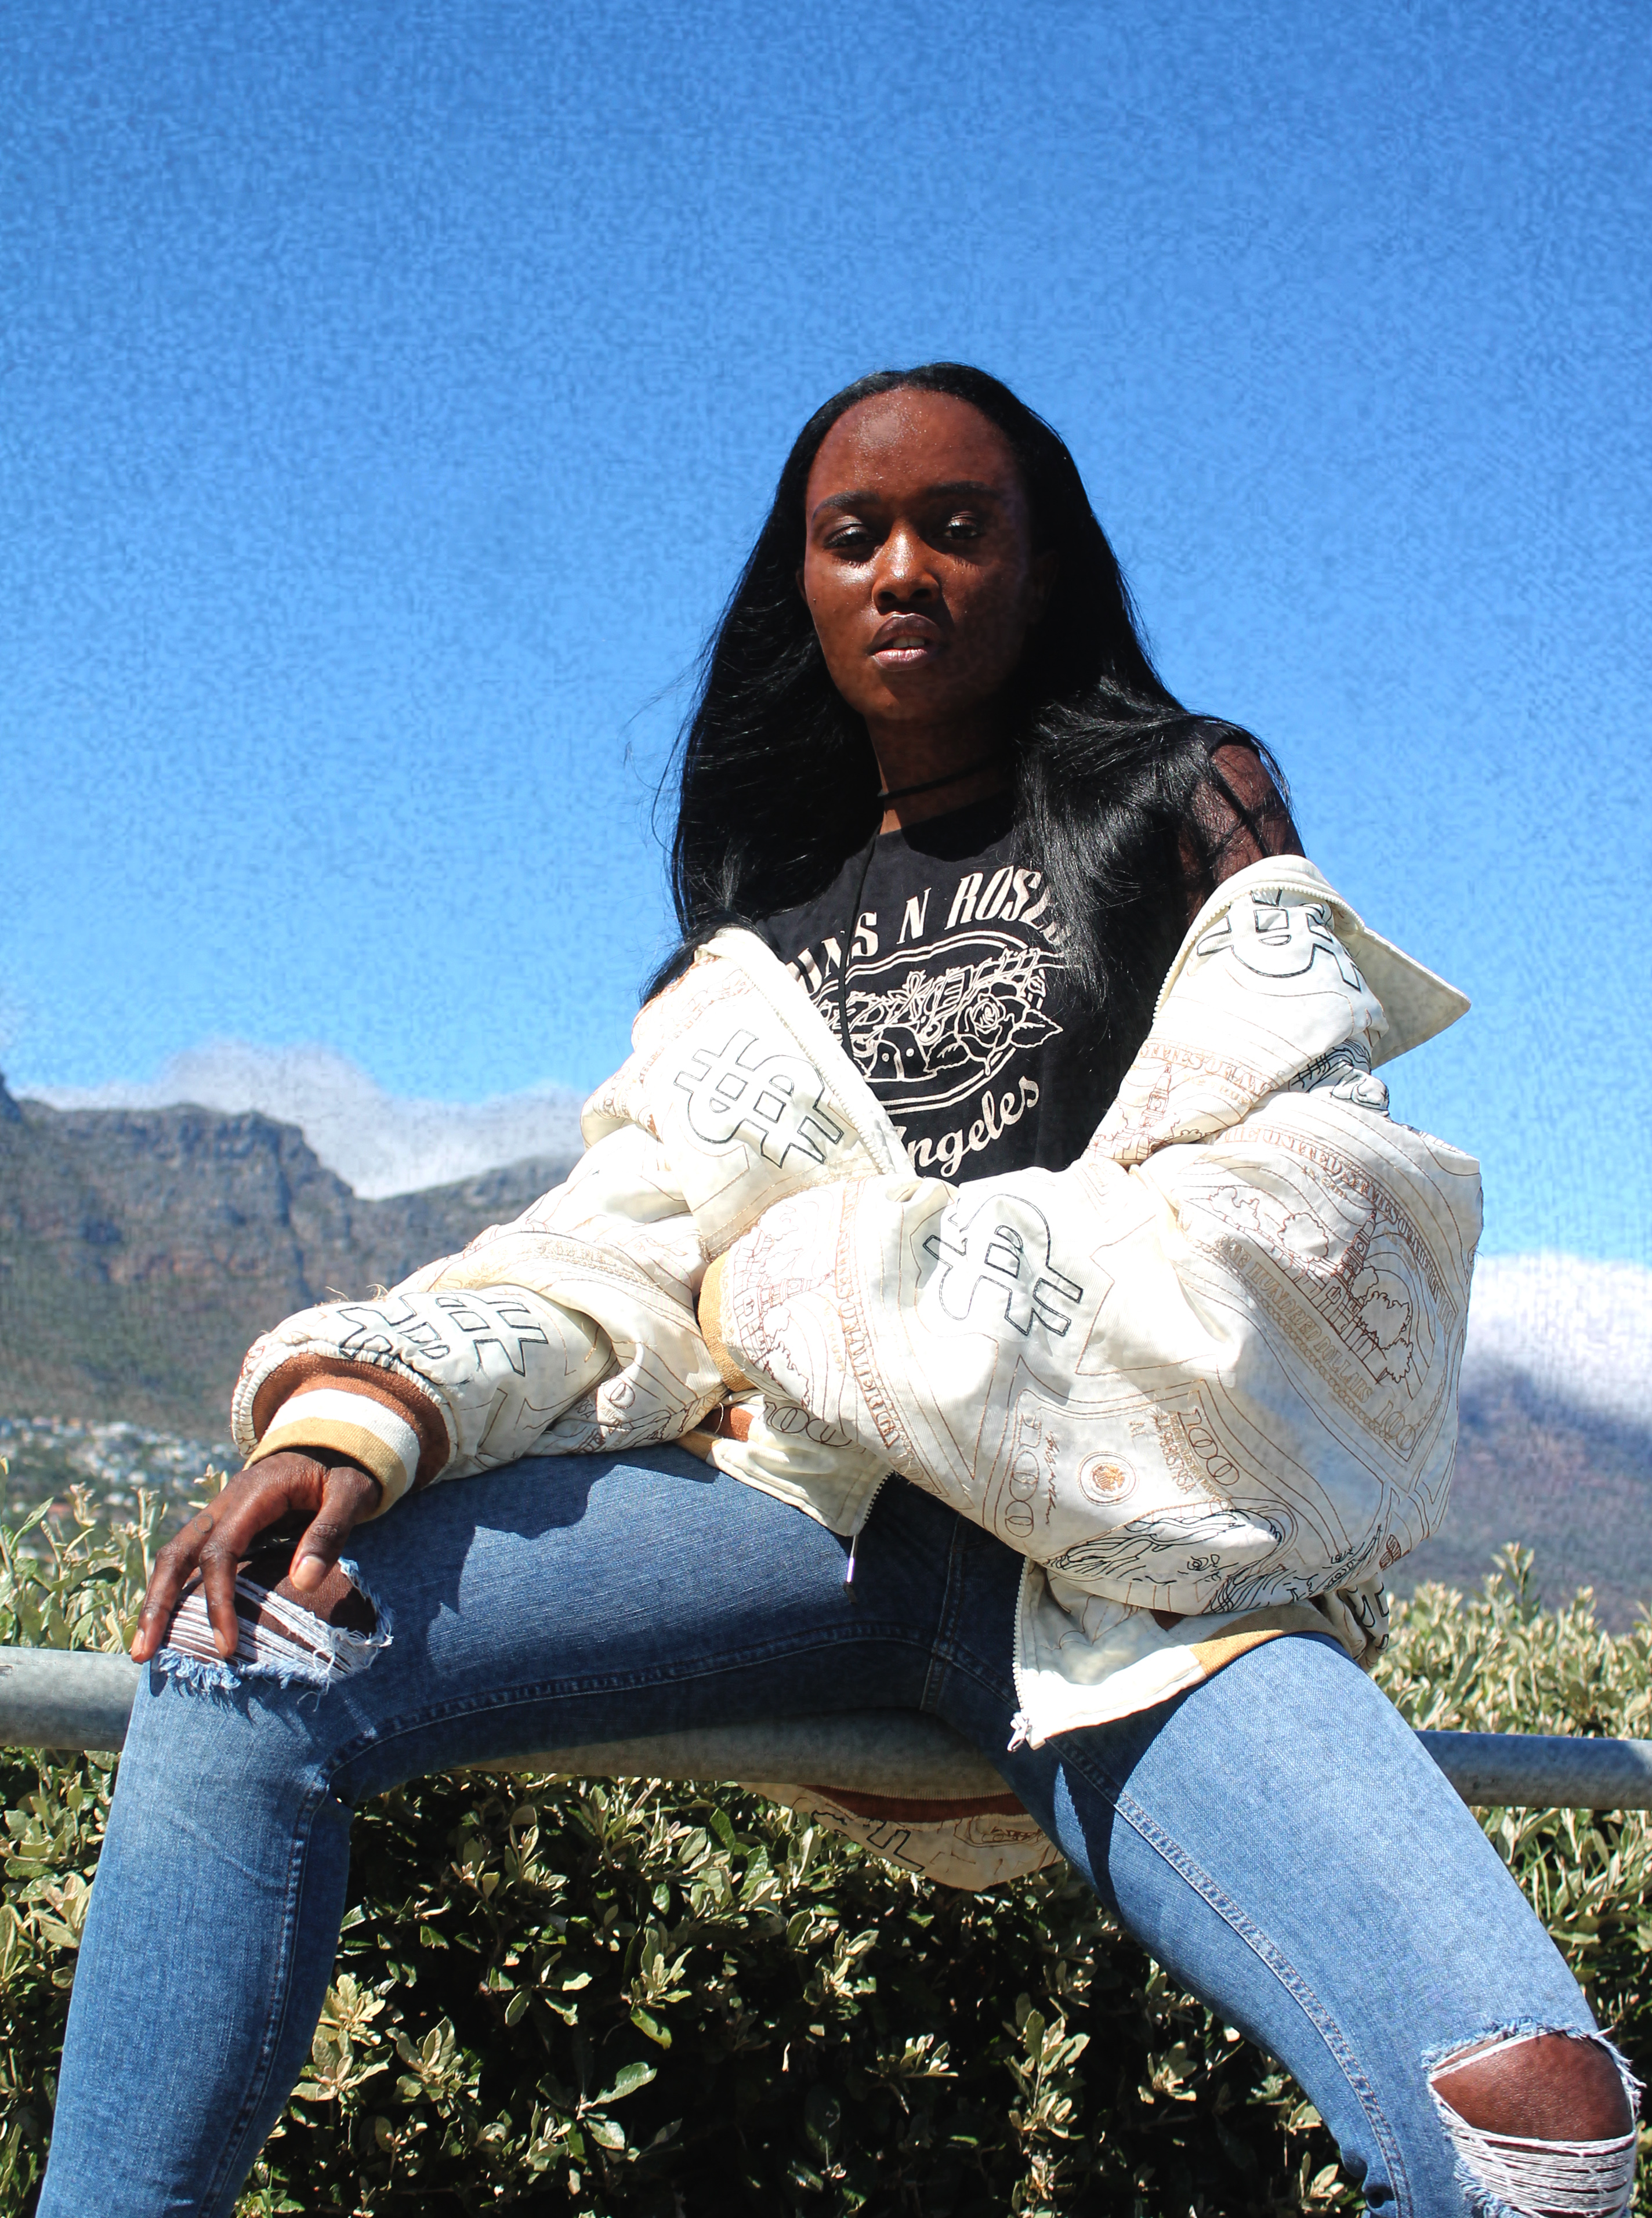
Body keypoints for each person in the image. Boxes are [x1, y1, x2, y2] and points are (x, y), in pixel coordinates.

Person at [41, 365, 1637, 2215]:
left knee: (1532, 2124)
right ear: (798, 584)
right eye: (853, 534)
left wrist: (830, 1272)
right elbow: (621, 1236)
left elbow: (1308, 1191)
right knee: (251, 1642)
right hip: (797, 1514)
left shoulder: (1181, 801)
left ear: (1043, 565)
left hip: (1126, 1579)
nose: (902, 570)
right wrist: (364, 1412)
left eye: (959, 526)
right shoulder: (754, 937)